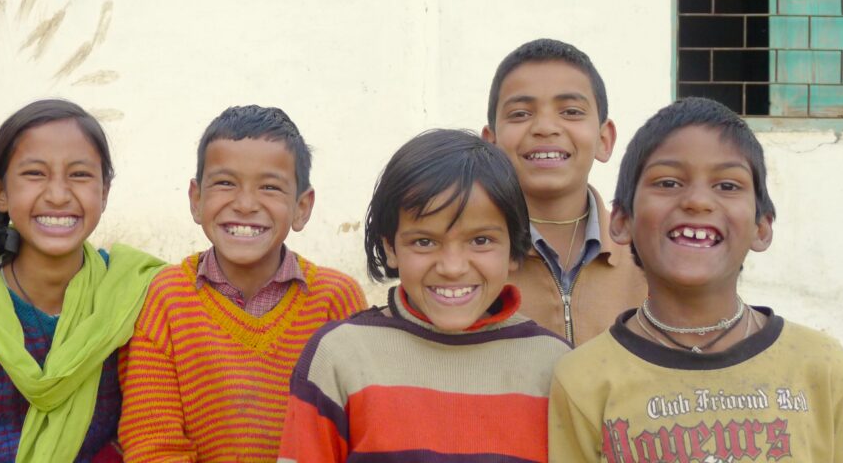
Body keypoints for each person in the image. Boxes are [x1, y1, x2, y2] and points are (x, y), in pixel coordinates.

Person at [549, 97, 843, 461]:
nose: (697, 201)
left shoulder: (822, 368)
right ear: (622, 221)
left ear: (761, 227)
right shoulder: (584, 380)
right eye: (668, 182)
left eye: (728, 186)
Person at [0, 99, 165, 462]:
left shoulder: (132, 298)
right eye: (35, 174)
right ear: (0, 192)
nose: (58, 195)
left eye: (80, 175)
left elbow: (149, 436)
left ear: (104, 192)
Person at [278, 129, 569, 462]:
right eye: (425, 242)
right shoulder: (340, 356)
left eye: (480, 241)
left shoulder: (553, 366)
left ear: (515, 249)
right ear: (391, 247)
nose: (452, 268)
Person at [118, 105, 366, 462]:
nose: (246, 204)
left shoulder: (335, 300)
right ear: (196, 200)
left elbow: (361, 435)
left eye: (270, 187)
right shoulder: (168, 297)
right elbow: (153, 443)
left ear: (302, 207)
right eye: (225, 183)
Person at [483, 38, 645, 346]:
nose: (545, 127)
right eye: (520, 114)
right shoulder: (469, 259)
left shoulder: (647, 255)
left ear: (604, 139)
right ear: (490, 144)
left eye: (571, 111)